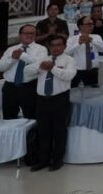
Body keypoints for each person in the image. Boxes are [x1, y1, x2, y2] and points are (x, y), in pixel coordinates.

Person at [28, 35, 76, 171]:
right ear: (49, 47)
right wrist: (39, 68)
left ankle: (57, 160)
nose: (56, 48)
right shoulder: (43, 59)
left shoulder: (69, 60)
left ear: (64, 46)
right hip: (42, 99)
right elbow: (28, 71)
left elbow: (69, 75)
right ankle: (43, 160)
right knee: (43, 130)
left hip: (59, 98)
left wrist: (52, 68)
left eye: (59, 45)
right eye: (53, 45)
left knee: (59, 130)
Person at [0, 24, 45, 120]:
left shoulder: (41, 49)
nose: (29, 35)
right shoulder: (11, 49)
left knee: (32, 117)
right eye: (26, 33)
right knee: (9, 117)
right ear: (20, 35)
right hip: (10, 88)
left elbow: (39, 67)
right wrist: (12, 59)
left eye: (32, 33)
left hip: (29, 87)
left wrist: (22, 56)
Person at [65, 16, 103, 87]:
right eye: (89, 24)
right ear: (81, 26)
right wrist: (78, 43)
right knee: (75, 91)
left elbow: (102, 48)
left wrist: (92, 40)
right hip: (77, 71)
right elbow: (66, 52)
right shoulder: (72, 39)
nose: (91, 26)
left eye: (92, 24)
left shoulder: (96, 37)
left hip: (93, 70)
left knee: (92, 92)